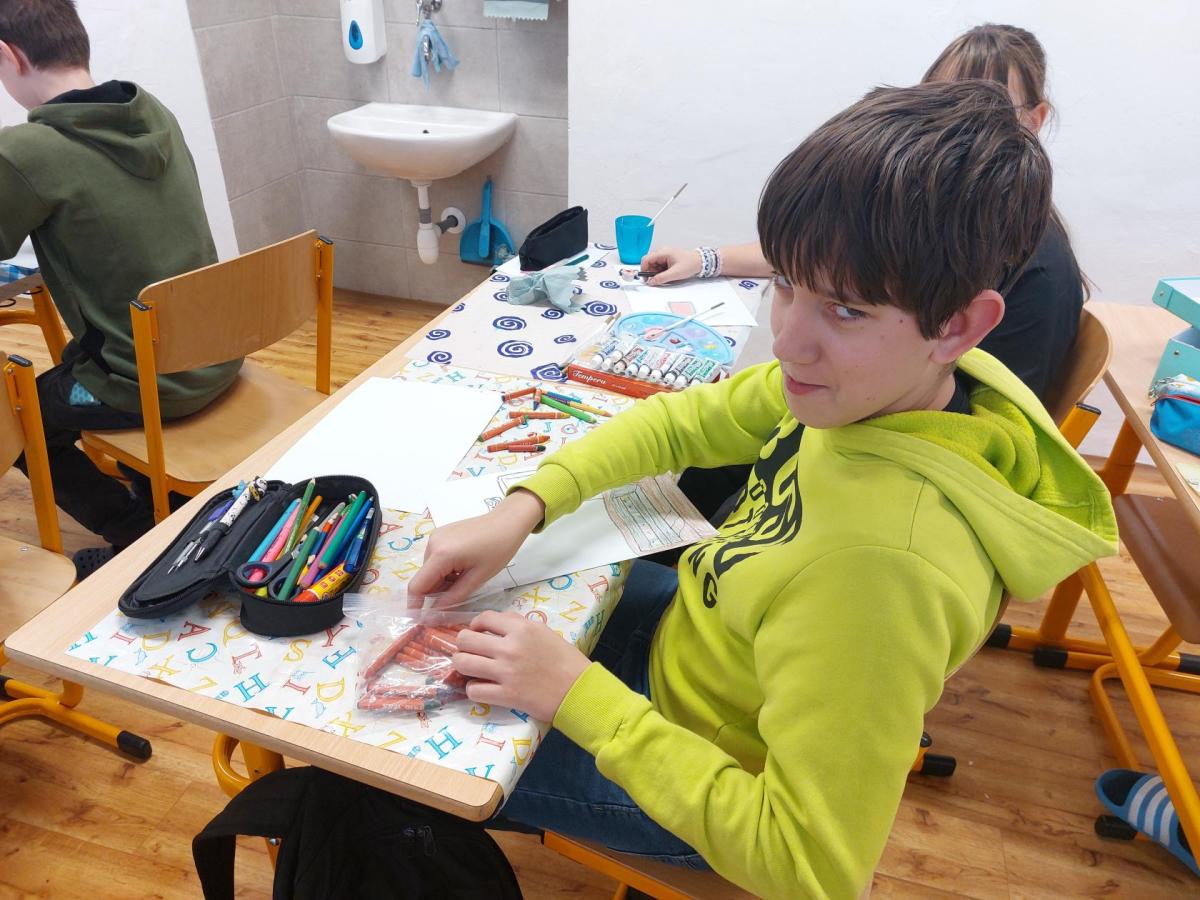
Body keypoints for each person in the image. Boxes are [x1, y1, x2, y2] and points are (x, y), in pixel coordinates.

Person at [408, 80, 1118, 897]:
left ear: (957, 326)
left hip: (699, 777)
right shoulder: (885, 389)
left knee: (382, 763)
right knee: (459, 614)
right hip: (694, 654)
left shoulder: (882, 570)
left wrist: (578, 697)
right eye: (786, 282)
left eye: (845, 311)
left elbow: (808, 866)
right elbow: (680, 422)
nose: (787, 341)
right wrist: (523, 508)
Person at [646, 24, 1087, 527]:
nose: (957, 123)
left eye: (847, 310)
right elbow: (827, 263)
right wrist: (706, 259)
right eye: (942, 99)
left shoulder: (1033, 272)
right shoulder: (937, 215)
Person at [0, 0, 241, 576]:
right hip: (218, 350)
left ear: (9, 56)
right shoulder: (151, 112)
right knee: (75, 362)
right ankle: (165, 497)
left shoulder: (27, 151)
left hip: (149, 384)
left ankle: (139, 535)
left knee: (17, 419)